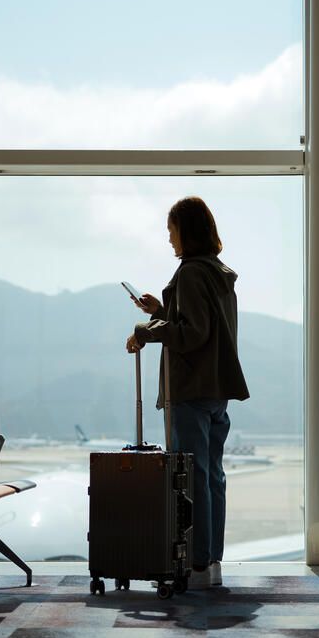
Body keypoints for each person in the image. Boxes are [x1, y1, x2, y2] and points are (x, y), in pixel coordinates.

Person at [126, 196, 249, 590]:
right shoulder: (217, 274)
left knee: (193, 481)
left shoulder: (192, 273)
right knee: (212, 478)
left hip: (191, 390)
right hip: (215, 390)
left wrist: (148, 331)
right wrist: (161, 311)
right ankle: (210, 563)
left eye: (172, 231)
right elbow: (203, 327)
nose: (169, 240)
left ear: (187, 231)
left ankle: (195, 566)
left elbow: (192, 335)